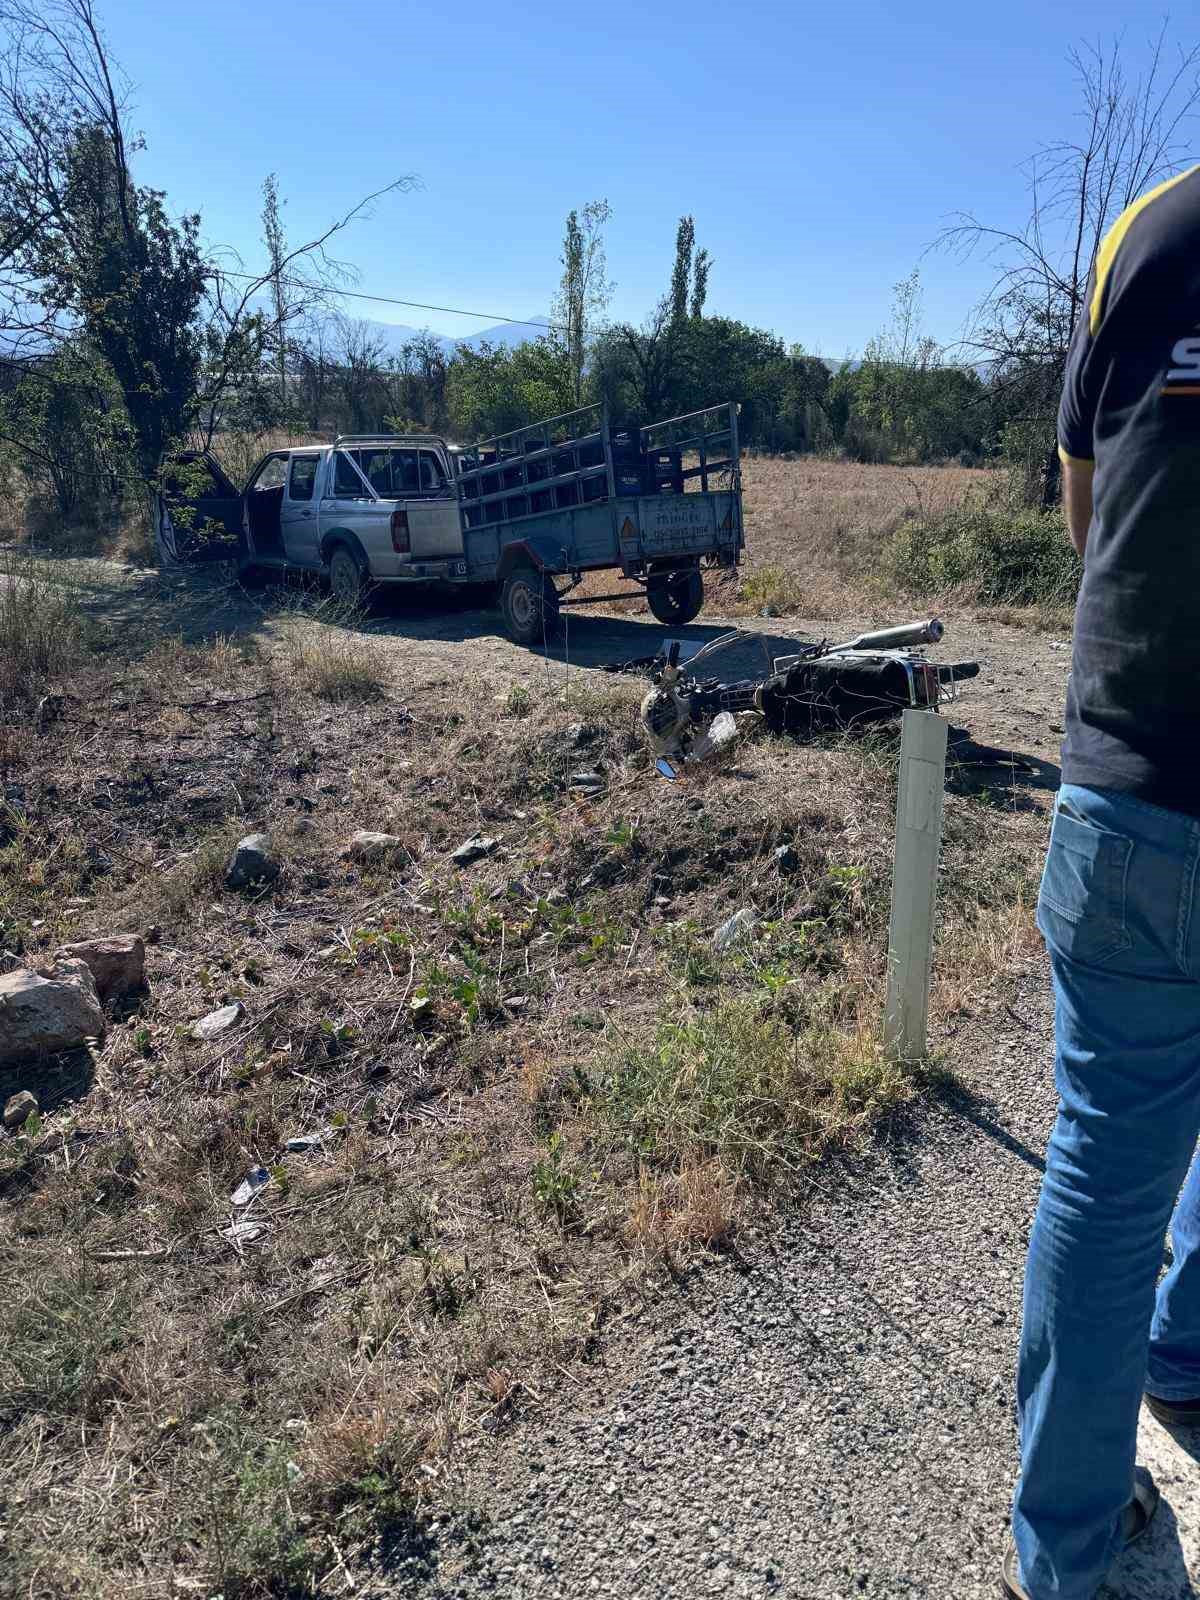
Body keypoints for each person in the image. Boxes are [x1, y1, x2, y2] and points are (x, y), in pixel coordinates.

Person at [1002, 162, 1200, 1600]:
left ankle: (1062, 1552)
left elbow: (1088, 516)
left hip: (1132, 786)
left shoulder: (1151, 229)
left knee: (1104, 1165)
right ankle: (1186, 1350)